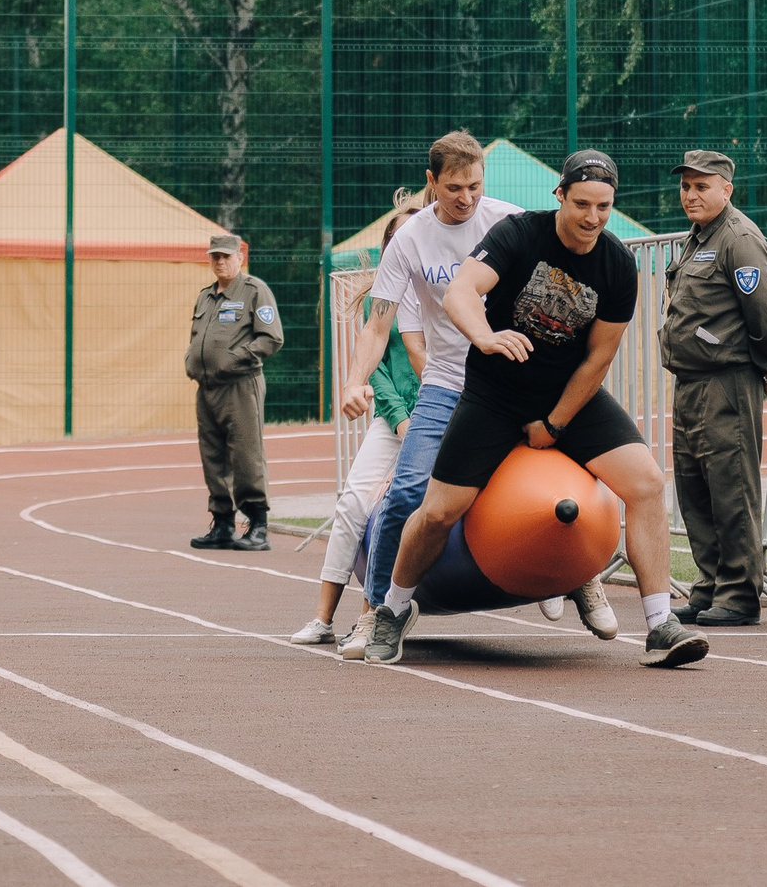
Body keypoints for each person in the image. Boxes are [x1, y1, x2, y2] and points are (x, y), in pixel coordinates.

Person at [362, 149, 704, 670]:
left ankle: (660, 624)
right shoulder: (519, 233)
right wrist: (487, 337)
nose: (593, 217)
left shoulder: (616, 263)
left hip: (567, 395)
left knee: (649, 483)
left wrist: (556, 422)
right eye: (583, 203)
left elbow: (599, 357)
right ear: (560, 196)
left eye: (604, 207)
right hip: (493, 393)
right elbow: (460, 292)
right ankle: (392, 609)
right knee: (437, 511)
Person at [343, 130, 553, 659]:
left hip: (513, 377)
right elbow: (377, 324)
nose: (466, 199)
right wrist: (355, 381)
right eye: (454, 188)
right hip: (448, 382)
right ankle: (378, 613)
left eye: (475, 186)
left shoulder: (509, 220)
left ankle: (579, 579)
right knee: (407, 494)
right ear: (431, 182)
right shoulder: (411, 238)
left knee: (563, 474)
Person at [295, 195, 426, 646]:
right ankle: (325, 617)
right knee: (354, 503)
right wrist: (400, 420)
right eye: (396, 240)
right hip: (395, 424)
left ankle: (559, 582)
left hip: (445, 418)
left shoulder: (448, 289)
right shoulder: (379, 300)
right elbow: (380, 372)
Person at [661, 148, 767, 629]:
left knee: (731, 488)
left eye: (702, 186)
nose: (691, 194)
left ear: (726, 189)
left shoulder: (739, 237)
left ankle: (739, 594)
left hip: (725, 381)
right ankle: (710, 586)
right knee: (697, 492)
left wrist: (760, 364)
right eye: (687, 186)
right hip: (690, 381)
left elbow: (764, 317)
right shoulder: (698, 238)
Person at [185, 234, 283, 551]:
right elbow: (197, 336)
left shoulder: (254, 291)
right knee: (212, 455)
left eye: (226, 257)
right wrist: (191, 359)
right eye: (214, 257)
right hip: (207, 387)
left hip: (240, 385)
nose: (220, 262)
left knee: (245, 453)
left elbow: (271, 339)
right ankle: (223, 523)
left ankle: (258, 525)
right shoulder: (205, 297)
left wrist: (233, 359)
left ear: (239, 257)